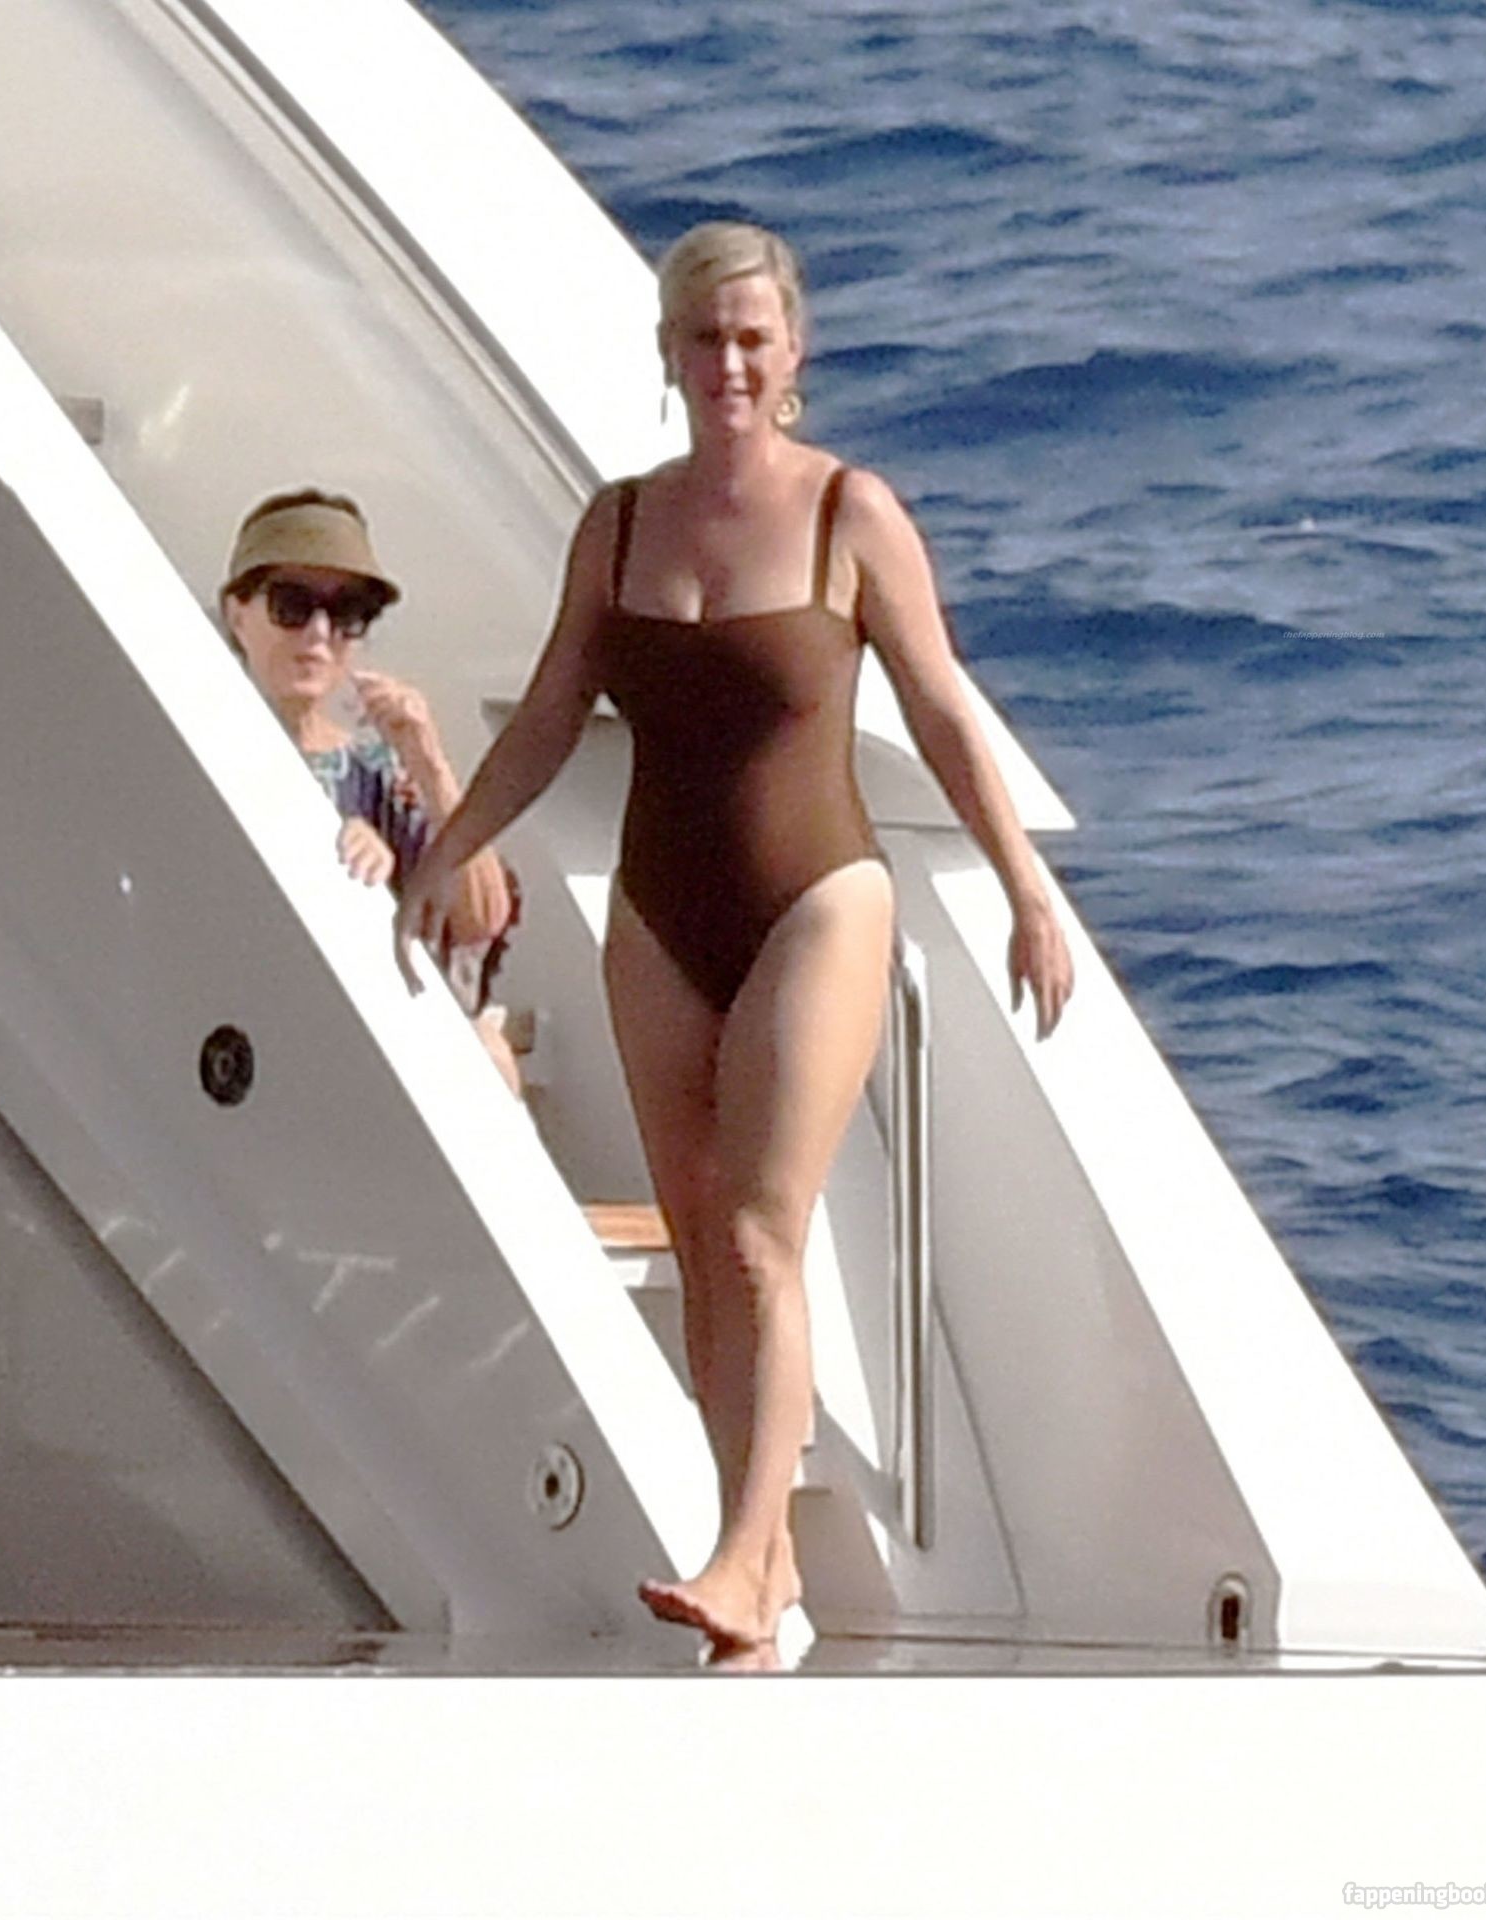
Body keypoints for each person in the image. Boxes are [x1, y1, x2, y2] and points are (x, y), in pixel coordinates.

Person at [396, 222, 1073, 1652]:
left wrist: (1025, 888)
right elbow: (551, 712)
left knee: (764, 1229)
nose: (730, 363)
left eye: (753, 337)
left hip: (816, 898)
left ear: (794, 349)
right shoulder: (618, 526)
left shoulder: (848, 514)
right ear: (669, 353)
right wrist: (449, 847)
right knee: (707, 1243)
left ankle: (747, 1554)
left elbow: (941, 709)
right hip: (658, 911)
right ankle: (753, 1569)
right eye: (704, 338)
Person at [220, 488, 522, 1094]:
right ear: (237, 614)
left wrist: (429, 762)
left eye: (348, 612)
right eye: (291, 605)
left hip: (360, 1047)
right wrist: (334, 861)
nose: (319, 633)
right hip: (245, 1037)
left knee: (490, 1059)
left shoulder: (376, 770)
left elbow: (482, 921)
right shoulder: (203, 743)